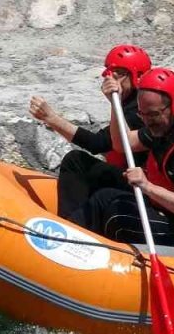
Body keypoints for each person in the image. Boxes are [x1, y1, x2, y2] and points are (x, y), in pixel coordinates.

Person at [67, 68, 174, 247]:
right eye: (142, 114)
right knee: (104, 197)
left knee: (117, 215)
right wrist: (116, 104)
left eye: (153, 114)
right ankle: (65, 236)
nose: (147, 121)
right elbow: (122, 143)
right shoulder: (165, 126)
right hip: (170, 213)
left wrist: (147, 186)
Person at [29, 45, 152, 221]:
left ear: (137, 76)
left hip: (141, 187)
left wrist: (52, 118)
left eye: (119, 72)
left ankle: (71, 225)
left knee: (75, 161)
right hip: (127, 177)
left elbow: (97, 143)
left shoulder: (141, 110)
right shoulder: (130, 104)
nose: (111, 77)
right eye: (109, 72)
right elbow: (99, 142)